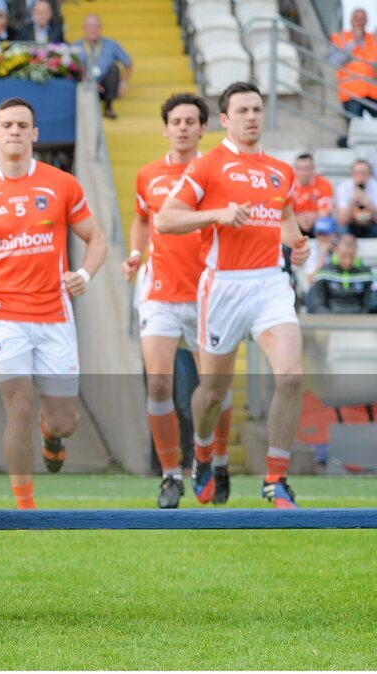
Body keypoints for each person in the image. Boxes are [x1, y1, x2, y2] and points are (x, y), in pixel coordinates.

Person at [0, 97, 107, 509]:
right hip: (2, 318)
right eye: (7, 125)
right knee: (19, 405)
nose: (14, 131)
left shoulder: (61, 184)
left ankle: (52, 435)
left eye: (22, 125)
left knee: (63, 422)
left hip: (55, 317)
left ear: (34, 134)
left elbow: (97, 239)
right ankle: (25, 508)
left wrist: (83, 275)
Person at [157, 81, 310, 509]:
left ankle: (275, 479)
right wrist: (218, 214)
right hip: (223, 285)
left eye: (257, 109)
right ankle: (203, 452)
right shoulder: (208, 165)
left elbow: (286, 222)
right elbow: (167, 219)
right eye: (242, 110)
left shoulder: (281, 170)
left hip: (270, 284)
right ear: (224, 119)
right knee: (214, 390)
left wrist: (299, 246)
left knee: (292, 375)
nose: (251, 117)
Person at [120, 93, 232, 509]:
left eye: (191, 121)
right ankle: (170, 476)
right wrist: (135, 254)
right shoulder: (148, 174)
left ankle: (216, 462)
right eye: (176, 121)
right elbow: (142, 219)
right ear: (165, 127)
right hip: (160, 293)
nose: (183, 127)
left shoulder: (217, 173)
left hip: (210, 293)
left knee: (214, 389)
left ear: (204, 128)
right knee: (161, 381)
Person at [72, 14, 132, 120]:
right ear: (84, 28)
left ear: (100, 28)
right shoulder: (75, 46)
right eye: (89, 26)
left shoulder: (112, 44)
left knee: (114, 68)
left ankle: (108, 107)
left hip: (105, 88)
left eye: (95, 26)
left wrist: (123, 84)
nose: (92, 30)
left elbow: (129, 63)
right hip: (85, 87)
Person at [328, 8, 377, 117]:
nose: (359, 21)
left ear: (366, 21)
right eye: (356, 18)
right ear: (351, 20)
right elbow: (334, 61)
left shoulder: (373, 39)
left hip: (372, 92)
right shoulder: (340, 38)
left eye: (362, 19)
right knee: (355, 125)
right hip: (351, 92)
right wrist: (353, 42)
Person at [310, 233, 374, 313]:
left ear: (356, 250)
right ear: (336, 250)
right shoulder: (324, 272)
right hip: (330, 319)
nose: (348, 261)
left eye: (351, 256)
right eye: (344, 256)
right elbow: (318, 304)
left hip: (358, 320)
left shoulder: (366, 273)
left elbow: (367, 304)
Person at [291, 153, 334, 236]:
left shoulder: (324, 184)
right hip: (294, 222)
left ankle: (324, 248)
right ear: (295, 169)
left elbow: (324, 212)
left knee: (324, 224)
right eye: (300, 169)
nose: (304, 173)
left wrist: (312, 218)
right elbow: (285, 212)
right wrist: (298, 219)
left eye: (307, 169)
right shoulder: (288, 184)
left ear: (313, 168)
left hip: (317, 222)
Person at [334, 159, 377, 238]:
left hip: (370, 226)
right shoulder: (343, 188)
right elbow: (342, 221)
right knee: (342, 231)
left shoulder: (375, 187)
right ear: (352, 174)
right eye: (357, 173)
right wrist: (352, 202)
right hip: (350, 226)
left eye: (364, 173)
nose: (360, 177)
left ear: (370, 174)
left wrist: (370, 205)